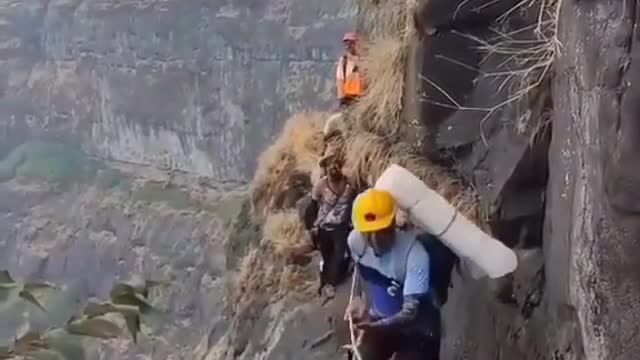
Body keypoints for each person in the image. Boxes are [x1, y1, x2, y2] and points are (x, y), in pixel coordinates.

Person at [344, 188, 441, 360]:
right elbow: (363, 273)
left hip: (419, 330)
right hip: (379, 316)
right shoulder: (355, 242)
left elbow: (410, 313)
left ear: (392, 223)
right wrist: (361, 301)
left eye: (381, 230)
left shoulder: (415, 255)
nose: (374, 239)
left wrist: (376, 327)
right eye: (368, 232)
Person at [310, 157, 356, 298]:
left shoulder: (350, 185)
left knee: (338, 254)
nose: (333, 167)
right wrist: (311, 227)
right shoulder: (320, 186)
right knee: (326, 256)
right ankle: (324, 282)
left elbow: (354, 203)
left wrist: (352, 222)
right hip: (324, 228)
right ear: (325, 169)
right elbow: (312, 207)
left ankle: (331, 283)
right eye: (330, 165)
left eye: (336, 163)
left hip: (341, 227)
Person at [336, 32, 363, 109]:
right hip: (348, 98)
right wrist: (341, 98)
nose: (348, 46)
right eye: (346, 44)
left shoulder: (364, 60)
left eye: (351, 43)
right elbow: (340, 80)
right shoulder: (344, 61)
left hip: (362, 97)